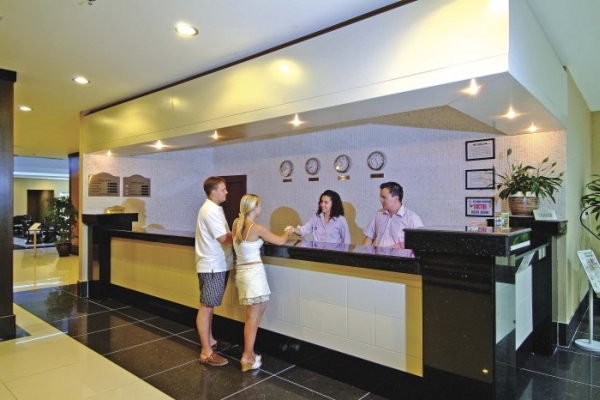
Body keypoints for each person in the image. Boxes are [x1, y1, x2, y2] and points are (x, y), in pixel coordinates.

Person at [232, 194, 294, 372]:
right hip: (254, 274)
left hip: (243, 272)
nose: (262, 207)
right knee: (253, 317)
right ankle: (247, 357)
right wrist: (288, 231)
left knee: (257, 312)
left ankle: (250, 353)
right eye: (260, 205)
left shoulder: (237, 223)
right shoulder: (256, 227)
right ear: (253, 208)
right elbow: (280, 240)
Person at [195, 176, 234, 367]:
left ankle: (210, 341)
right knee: (206, 306)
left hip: (217, 264)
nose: (226, 192)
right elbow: (224, 238)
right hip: (212, 266)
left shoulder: (214, 208)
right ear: (213, 192)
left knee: (209, 305)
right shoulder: (209, 211)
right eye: (223, 189)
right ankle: (206, 352)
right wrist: (248, 233)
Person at [362, 181, 423, 248]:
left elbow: (419, 244)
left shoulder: (412, 219)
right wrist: (363, 253)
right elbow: (369, 237)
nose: (381, 200)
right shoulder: (379, 214)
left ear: (396, 198)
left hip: (400, 255)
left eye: (384, 197)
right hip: (378, 254)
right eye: (381, 197)